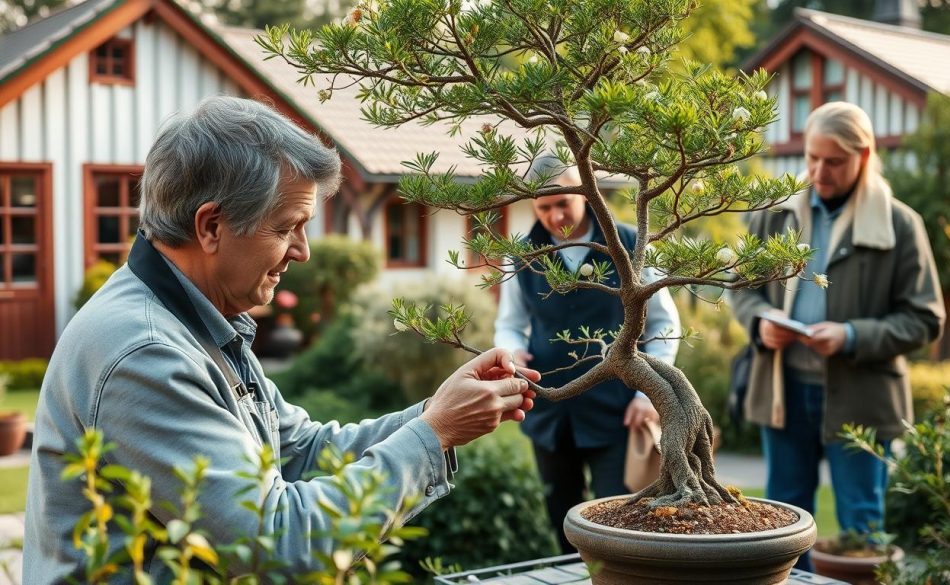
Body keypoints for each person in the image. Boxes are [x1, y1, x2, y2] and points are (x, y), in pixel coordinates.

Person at [24, 96, 538, 582]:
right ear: (211, 226)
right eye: (288, 227)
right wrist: (434, 434)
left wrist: (437, 412)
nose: (304, 252)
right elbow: (276, 542)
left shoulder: (196, 321)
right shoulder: (146, 354)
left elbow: (304, 449)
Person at [730, 101, 944, 571]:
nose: (818, 171)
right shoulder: (774, 215)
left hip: (863, 401)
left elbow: (926, 318)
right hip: (783, 393)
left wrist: (851, 335)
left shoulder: (901, 224)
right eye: (812, 157)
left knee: (861, 530)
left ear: (864, 156)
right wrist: (760, 323)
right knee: (784, 523)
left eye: (833, 161)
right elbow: (741, 291)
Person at [494, 155, 681, 553]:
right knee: (561, 518)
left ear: (583, 192)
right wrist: (511, 350)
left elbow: (664, 323)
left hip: (618, 408)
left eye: (563, 202)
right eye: (543, 207)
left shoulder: (630, 244)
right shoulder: (522, 254)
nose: (555, 215)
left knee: (620, 521)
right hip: (549, 408)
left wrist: (648, 394)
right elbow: (510, 322)